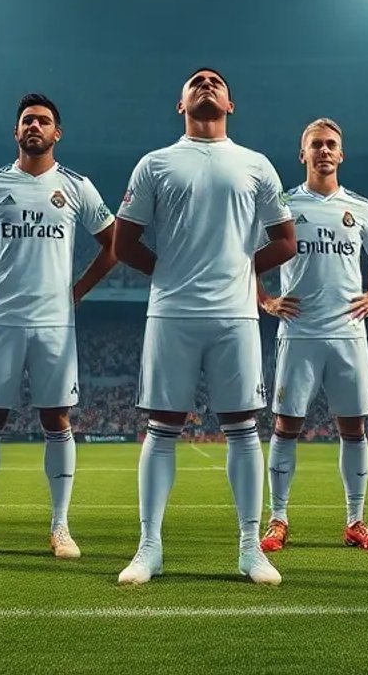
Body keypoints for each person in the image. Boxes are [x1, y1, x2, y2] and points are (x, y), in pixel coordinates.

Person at [113, 67, 296, 586]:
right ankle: (149, 548)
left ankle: (249, 549)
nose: (206, 85)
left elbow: (286, 240)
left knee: (243, 431)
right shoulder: (156, 164)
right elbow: (123, 243)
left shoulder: (255, 164)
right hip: (171, 313)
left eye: (216, 81)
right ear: (180, 104)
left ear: (231, 104)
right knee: (162, 430)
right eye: (195, 81)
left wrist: (239, 270)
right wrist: (170, 273)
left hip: (235, 315)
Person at [0, 94, 118, 560]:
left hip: (55, 321)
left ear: (56, 133)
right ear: (16, 132)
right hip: (1, 318)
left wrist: (77, 291)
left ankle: (60, 527)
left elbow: (113, 244)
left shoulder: (77, 186)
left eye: (42, 121)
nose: (34, 126)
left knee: (56, 419)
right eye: (27, 121)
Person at [258, 118, 368, 553]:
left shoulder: (361, 207)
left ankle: (356, 520)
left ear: (341, 153)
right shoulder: (283, 205)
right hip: (299, 332)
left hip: (348, 333)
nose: (324, 150)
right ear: (303, 154)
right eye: (316, 144)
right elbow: (245, 256)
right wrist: (266, 300)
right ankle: (278, 519)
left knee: (353, 428)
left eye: (331, 144)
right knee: (286, 426)